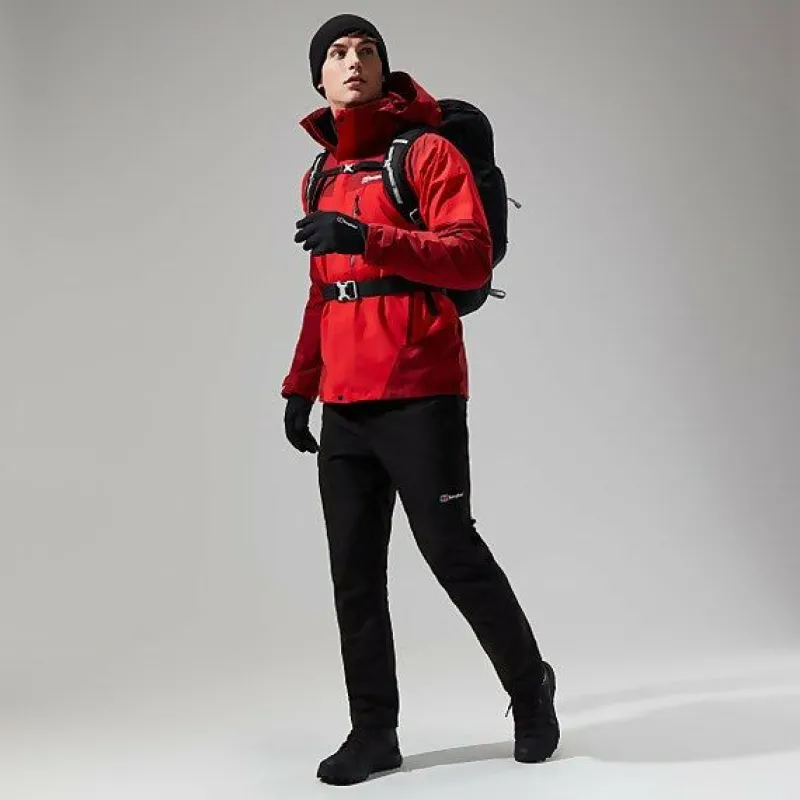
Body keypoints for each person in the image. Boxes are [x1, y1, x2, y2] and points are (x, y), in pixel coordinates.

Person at [281, 13, 560, 786]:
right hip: (345, 402)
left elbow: (469, 258)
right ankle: (374, 732)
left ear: (383, 69)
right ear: (319, 78)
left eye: (368, 50)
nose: (355, 60)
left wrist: (366, 237)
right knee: (354, 574)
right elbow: (324, 293)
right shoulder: (319, 174)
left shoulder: (426, 153)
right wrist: (300, 386)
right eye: (338, 53)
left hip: (420, 389)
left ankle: (530, 691)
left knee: (452, 553)